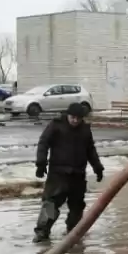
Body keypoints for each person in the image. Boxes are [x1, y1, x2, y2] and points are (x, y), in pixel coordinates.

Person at [33, 103, 105, 243]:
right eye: (73, 117)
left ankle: (74, 233)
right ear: (67, 115)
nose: (75, 121)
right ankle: (42, 233)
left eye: (79, 118)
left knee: (77, 207)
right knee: (51, 204)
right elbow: (43, 143)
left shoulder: (85, 130)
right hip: (58, 174)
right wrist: (41, 164)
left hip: (78, 175)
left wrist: (98, 168)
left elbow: (91, 150)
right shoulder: (56, 125)